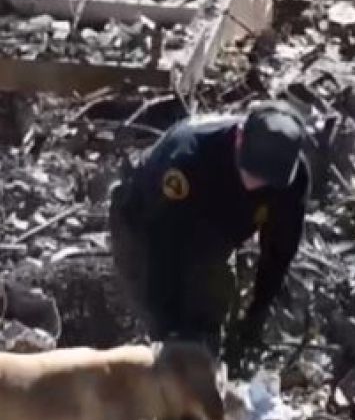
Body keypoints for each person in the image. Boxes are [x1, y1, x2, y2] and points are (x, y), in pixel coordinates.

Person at [109, 100, 311, 374]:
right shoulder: (187, 158)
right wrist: (168, 331)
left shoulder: (291, 178)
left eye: (266, 180)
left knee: (210, 306)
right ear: (239, 138)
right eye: (250, 170)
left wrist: (258, 310)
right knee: (155, 312)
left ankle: (208, 366)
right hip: (146, 222)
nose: (255, 184)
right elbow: (161, 247)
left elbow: (279, 248)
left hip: (216, 229)